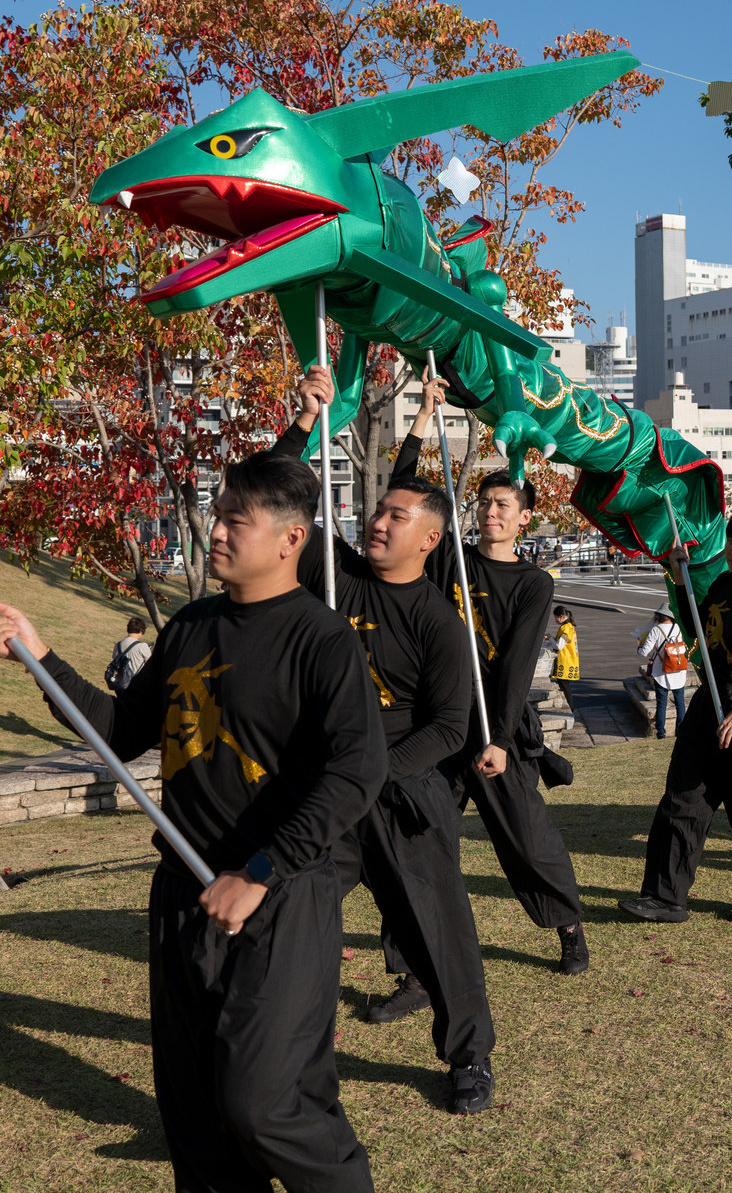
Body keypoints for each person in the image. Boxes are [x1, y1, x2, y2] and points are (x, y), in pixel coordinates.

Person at [0, 450, 389, 1190]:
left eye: (236, 520)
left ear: (291, 538)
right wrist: (41, 657)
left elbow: (357, 771)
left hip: (279, 897)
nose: (216, 532)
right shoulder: (190, 627)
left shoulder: (322, 640)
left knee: (265, 1104)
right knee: (195, 1116)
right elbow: (119, 730)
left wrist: (259, 872)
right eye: (216, 516)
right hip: (183, 894)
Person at [295, 371, 587, 984]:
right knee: (418, 845)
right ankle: (410, 968)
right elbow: (404, 494)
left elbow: (515, 667)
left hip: (491, 726)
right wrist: (424, 417)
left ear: (525, 518)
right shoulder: (447, 556)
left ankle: (567, 925)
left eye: (504, 506)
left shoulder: (533, 584)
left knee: (526, 838)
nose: (491, 512)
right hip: (433, 724)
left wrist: (500, 740)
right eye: (485, 503)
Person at [273, 409, 498, 1117]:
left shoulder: (439, 623)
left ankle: (469, 1055)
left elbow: (450, 728)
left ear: (429, 538)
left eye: (397, 516)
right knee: (284, 914)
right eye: (378, 511)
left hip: (402, 794)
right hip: (324, 792)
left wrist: (375, 772)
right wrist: (302, 426)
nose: (378, 521)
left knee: (439, 931)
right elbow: (274, 500)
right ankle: (272, 1059)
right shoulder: (335, 576)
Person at [620, 506, 732, 924]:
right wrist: (681, 583)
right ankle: (665, 897)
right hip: (707, 705)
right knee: (683, 798)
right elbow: (698, 628)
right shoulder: (722, 584)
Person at [638, 610, 690, 739]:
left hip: (661, 672)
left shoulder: (656, 630)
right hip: (678, 670)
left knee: (661, 703)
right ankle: (680, 730)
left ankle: (661, 732)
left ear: (659, 616)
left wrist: (639, 647)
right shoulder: (679, 628)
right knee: (680, 703)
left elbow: (645, 652)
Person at [106, 616, 153, 693]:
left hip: (120, 684)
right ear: (141, 631)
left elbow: (114, 658)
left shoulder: (118, 645)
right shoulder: (142, 646)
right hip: (136, 685)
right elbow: (151, 663)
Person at [551, 608, 579, 684]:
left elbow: (559, 646)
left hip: (564, 661)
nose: (555, 620)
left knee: (564, 685)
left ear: (561, 616)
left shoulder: (565, 628)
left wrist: (550, 638)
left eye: (555, 617)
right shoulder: (570, 626)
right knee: (563, 685)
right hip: (569, 659)